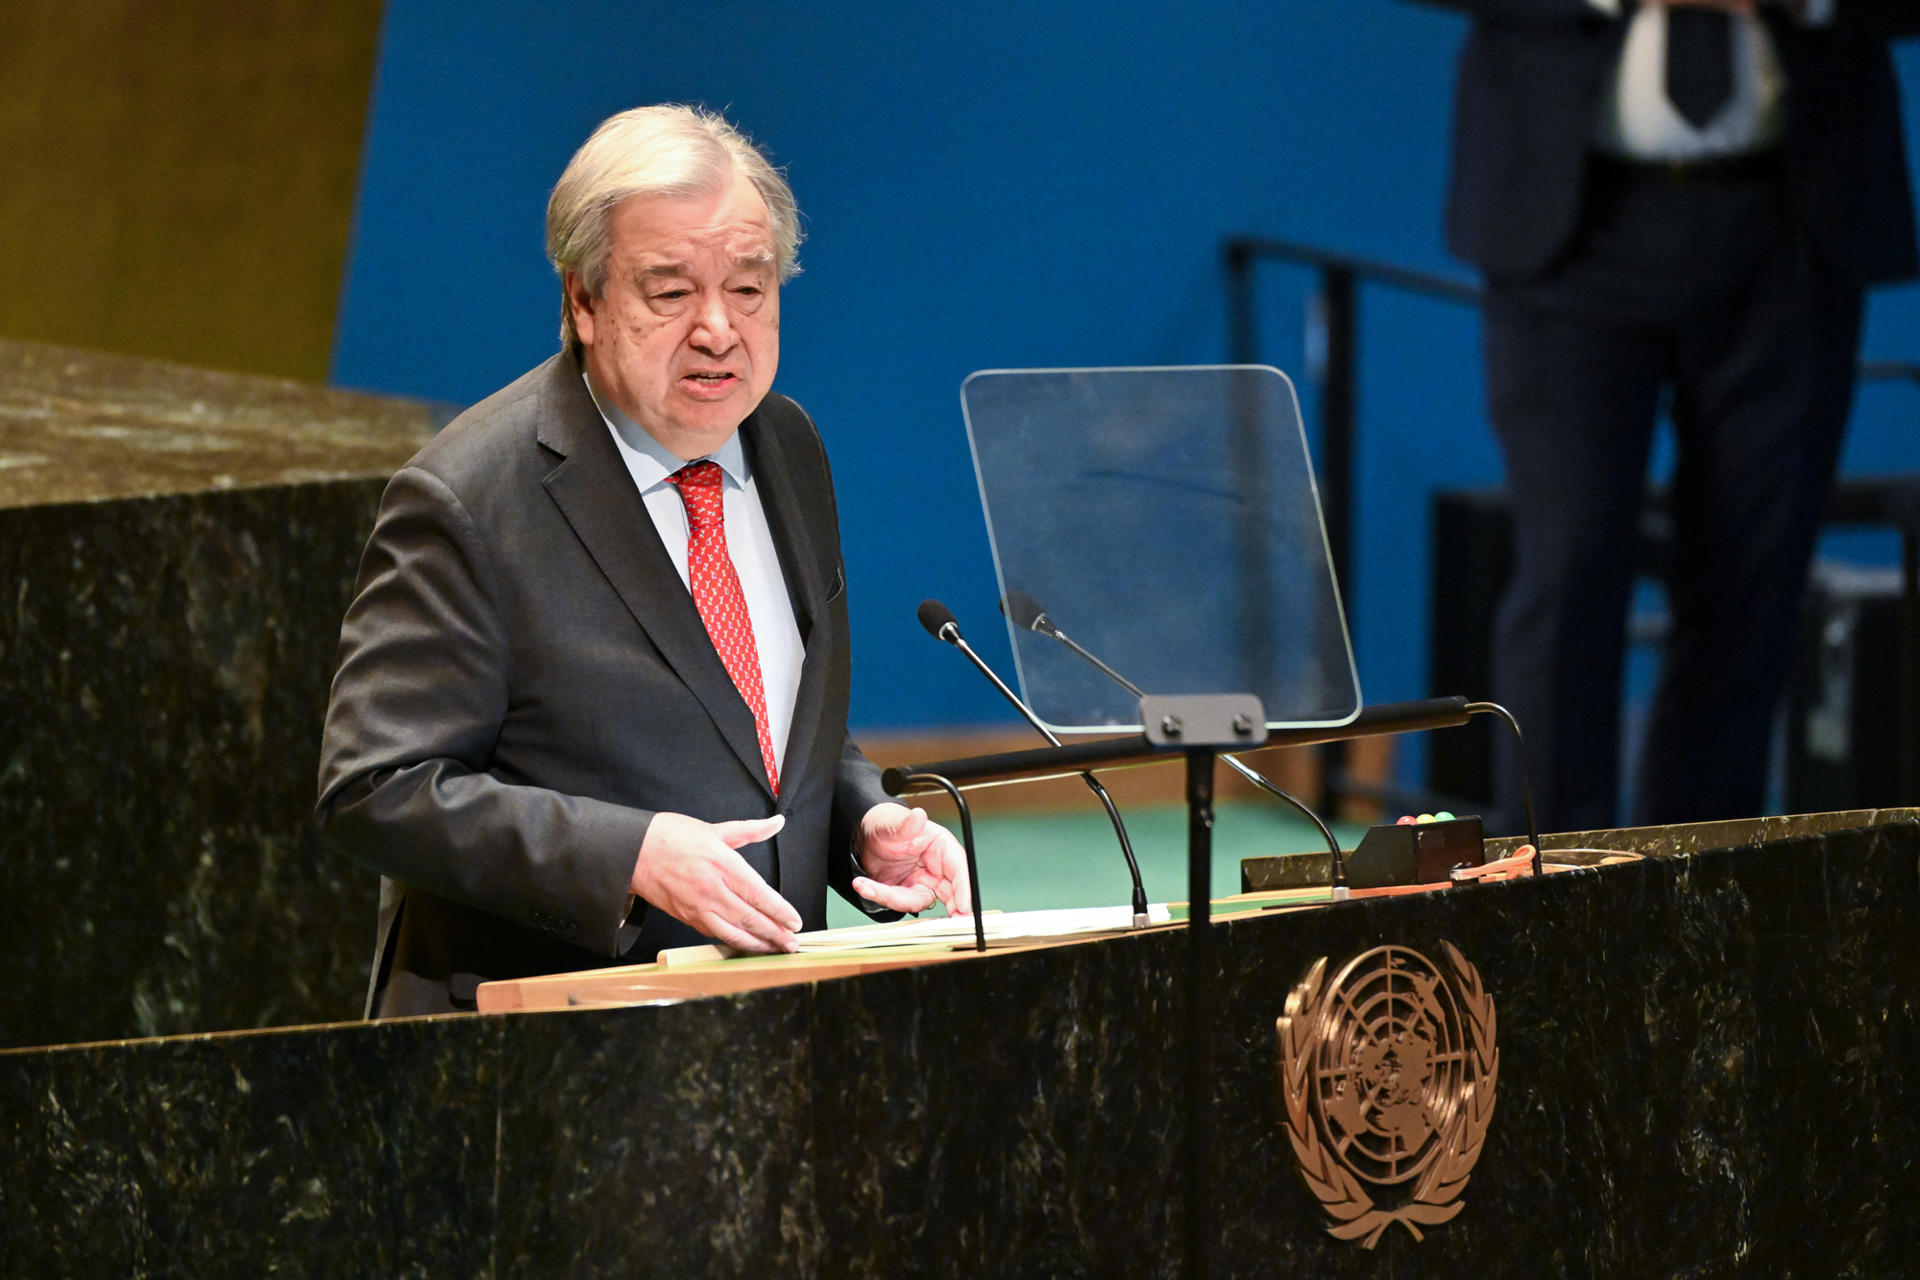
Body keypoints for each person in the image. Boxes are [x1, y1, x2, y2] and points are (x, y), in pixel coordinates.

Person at [317, 105, 970, 1016]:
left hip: (763, 1024)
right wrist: (627, 857)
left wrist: (861, 822)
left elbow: (758, 719)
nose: (717, 329)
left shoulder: (785, 442)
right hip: (538, 1049)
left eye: (749, 290)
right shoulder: (466, 499)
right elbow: (377, 788)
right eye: (669, 293)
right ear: (582, 301)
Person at [1418, 0, 1919, 830]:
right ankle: (1551, 917)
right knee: (1570, 569)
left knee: (1751, 594)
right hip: (1570, 221)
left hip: (1794, 217)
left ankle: (1692, 925)